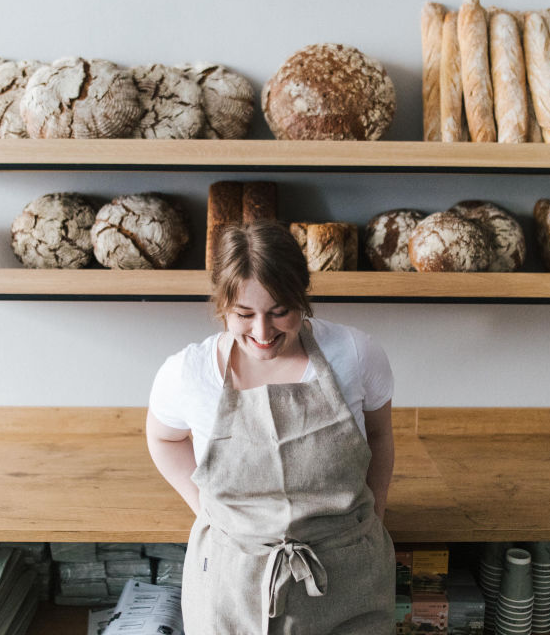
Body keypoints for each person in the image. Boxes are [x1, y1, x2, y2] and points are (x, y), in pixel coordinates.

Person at [146, 220, 396, 634]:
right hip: (231, 584)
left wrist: (375, 518)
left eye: (280, 312)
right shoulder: (189, 372)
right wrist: (205, 509)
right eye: (244, 315)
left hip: (348, 575)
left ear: (302, 296)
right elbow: (162, 437)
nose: (263, 332)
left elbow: (382, 436)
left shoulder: (356, 354)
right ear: (222, 306)